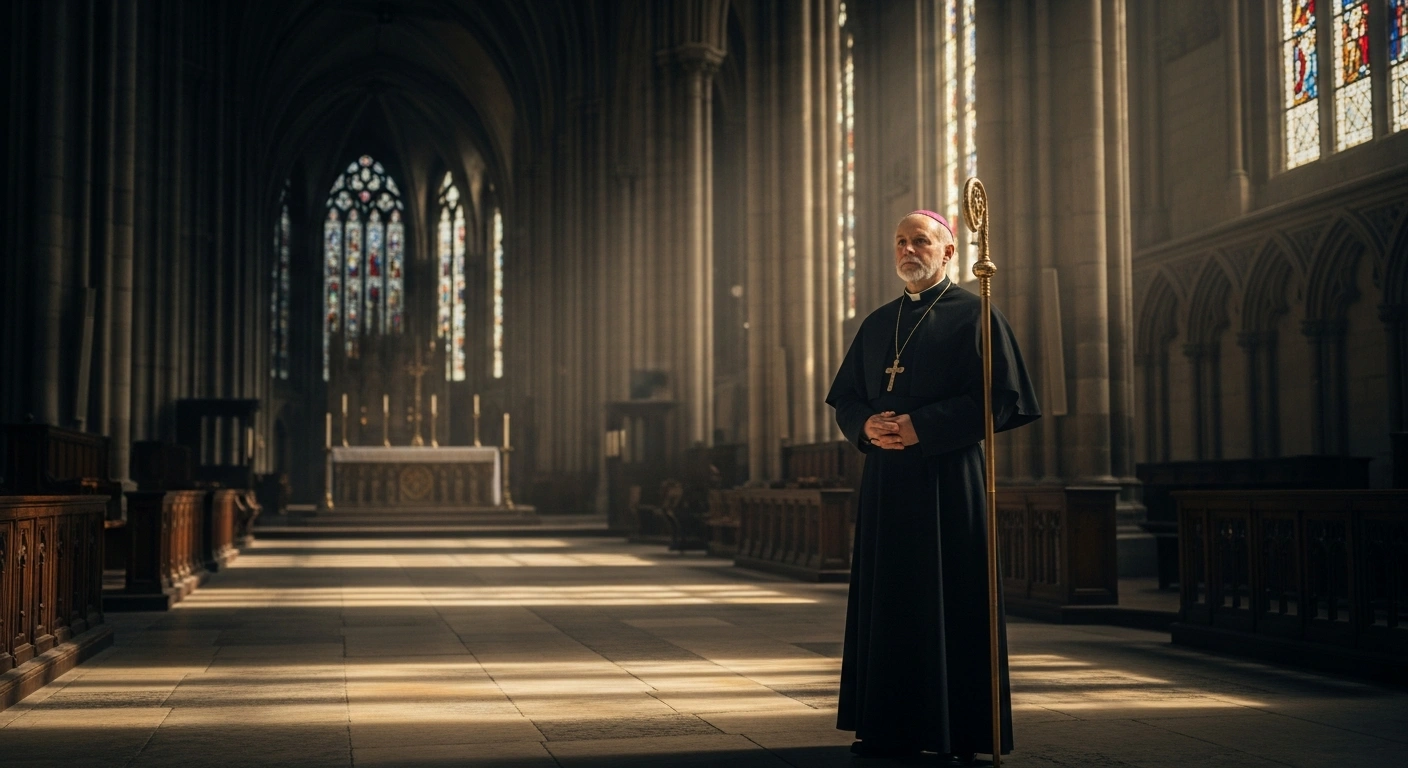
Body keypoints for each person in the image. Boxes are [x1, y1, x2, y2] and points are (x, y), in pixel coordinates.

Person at [826, 210, 1040, 762]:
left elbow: (1003, 398)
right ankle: (885, 725)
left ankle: (960, 730)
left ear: (947, 253)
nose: (908, 250)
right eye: (899, 241)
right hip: (887, 481)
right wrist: (865, 427)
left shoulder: (976, 314)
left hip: (948, 479)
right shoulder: (877, 323)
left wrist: (924, 426)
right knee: (888, 600)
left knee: (950, 595)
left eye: (920, 241)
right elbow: (846, 397)